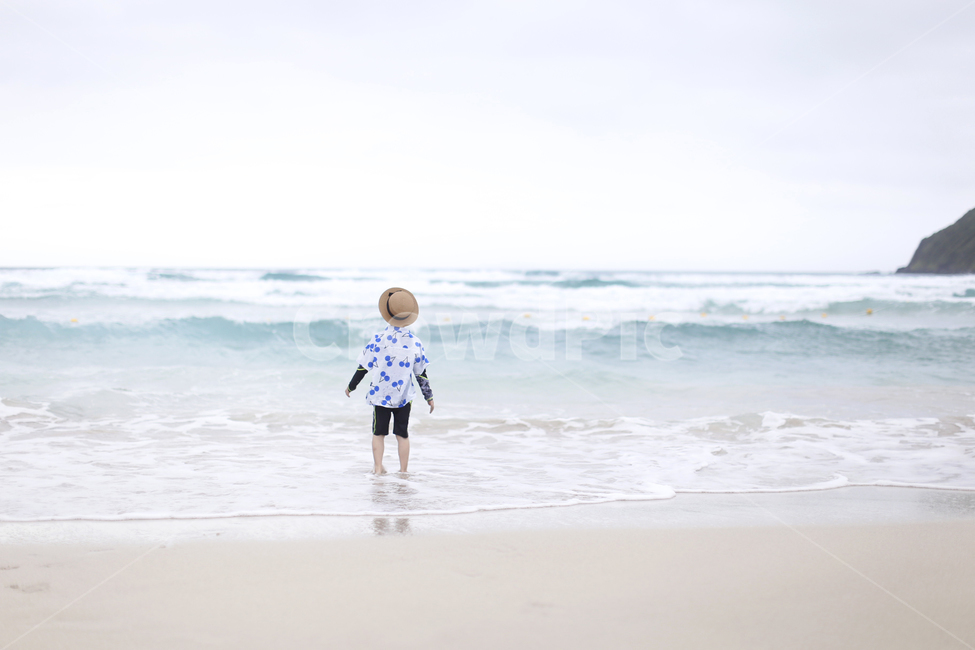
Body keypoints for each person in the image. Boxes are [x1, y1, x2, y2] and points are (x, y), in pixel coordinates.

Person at [345, 287, 434, 474]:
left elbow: (363, 366)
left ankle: (378, 468)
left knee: (379, 432)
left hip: (380, 394)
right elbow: (421, 373)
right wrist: (429, 397)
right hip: (404, 396)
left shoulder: (378, 339)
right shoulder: (415, 342)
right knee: (402, 434)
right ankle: (403, 471)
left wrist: (351, 386)